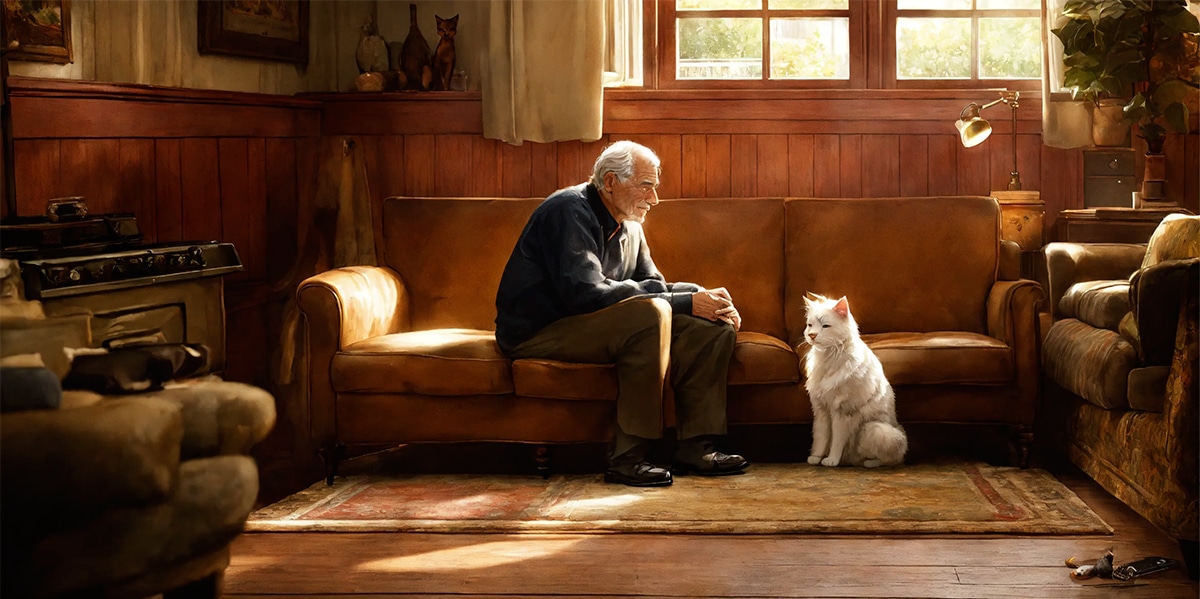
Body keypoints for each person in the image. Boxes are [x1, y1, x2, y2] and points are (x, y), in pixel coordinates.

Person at [494, 140, 749, 487]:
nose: (654, 199)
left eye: (655, 187)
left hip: (593, 324)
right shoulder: (568, 210)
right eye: (646, 186)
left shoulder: (631, 223)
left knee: (711, 325)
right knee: (650, 315)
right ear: (611, 182)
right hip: (540, 331)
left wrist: (701, 297)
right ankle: (628, 459)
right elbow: (585, 294)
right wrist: (685, 301)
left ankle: (696, 445)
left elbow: (653, 284)